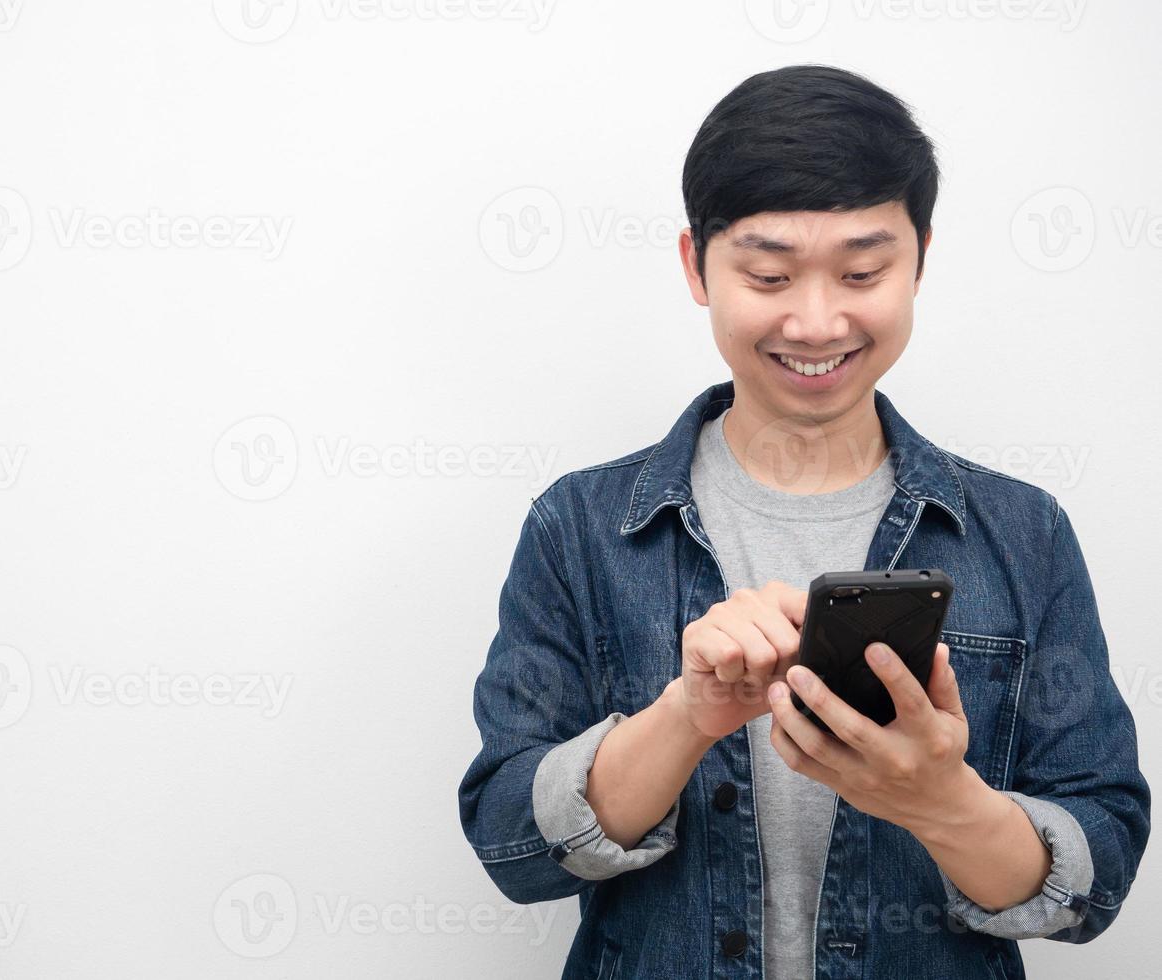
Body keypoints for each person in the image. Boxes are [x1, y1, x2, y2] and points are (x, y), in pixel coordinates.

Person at [457, 64, 1150, 979]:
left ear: (919, 263)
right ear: (694, 267)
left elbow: (1096, 875)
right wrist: (687, 717)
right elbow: (510, 841)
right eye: (770, 274)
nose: (816, 321)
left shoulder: (1022, 533)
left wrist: (939, 800)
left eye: (862, 271)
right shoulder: (579, 528)